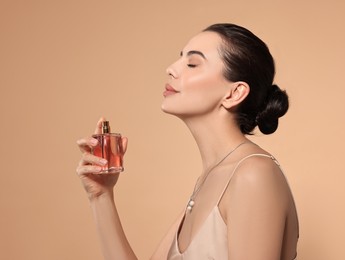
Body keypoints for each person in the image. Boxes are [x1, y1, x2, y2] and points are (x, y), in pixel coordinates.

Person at [76, 23, 299, 260]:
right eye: (179, 59)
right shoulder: (208, 180)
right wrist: (101, 196)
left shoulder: (254, 174)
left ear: (234, 93)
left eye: (192, 64)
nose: (171, 69)